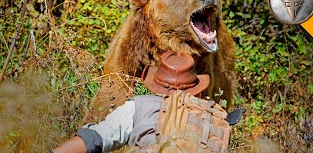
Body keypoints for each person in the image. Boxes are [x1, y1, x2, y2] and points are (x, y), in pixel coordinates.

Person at [53, 51, 242, 153]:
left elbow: (93, 140)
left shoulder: (139, 107)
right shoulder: (214, 116)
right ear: (194, 87)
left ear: (155, 81)